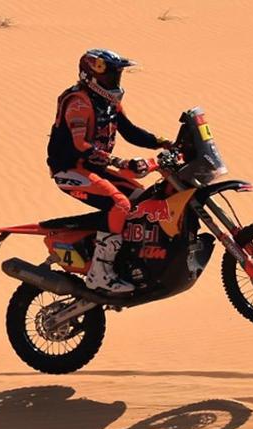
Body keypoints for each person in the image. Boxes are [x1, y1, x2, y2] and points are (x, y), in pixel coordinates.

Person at [47, 48, 172, 293]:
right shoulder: (78, 102)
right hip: (71, 169)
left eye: (117, 76)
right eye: (110, 76)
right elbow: (80, 145)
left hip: (95, 167)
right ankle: (100, 275)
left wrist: (164, 142)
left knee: (141, 200)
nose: (115, 81)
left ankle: (126, 261)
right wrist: (119, 162)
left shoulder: (109, 101)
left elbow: (130, 131)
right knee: (120, 204)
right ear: (90, 76)